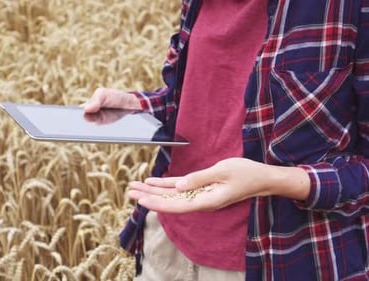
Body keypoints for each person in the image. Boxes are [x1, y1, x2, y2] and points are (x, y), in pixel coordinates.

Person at [84, 0, 369, 280]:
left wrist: (274, 180)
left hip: (278, 259)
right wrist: (137, 105)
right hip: (166, 241)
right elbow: (200, 97)